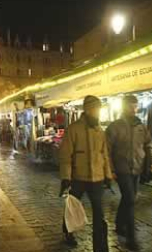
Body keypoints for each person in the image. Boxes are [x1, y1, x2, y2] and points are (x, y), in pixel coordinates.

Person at [59, 95, 113, 252]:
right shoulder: (73, 129)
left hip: (97, 178)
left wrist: (107, 175)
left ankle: (101, 247)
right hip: (78, 178)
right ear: (88, 109)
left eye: (99, 109)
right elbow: (65, 156)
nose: (97, 112)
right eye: (96, 109)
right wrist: (66, 178)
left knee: (99, 214)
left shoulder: (99, 131)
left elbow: (104, 155)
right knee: (72, 208)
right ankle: (68, 231)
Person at [106, 95, 152, 251]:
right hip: (122, 169)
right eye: (130, 106)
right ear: (124, 106)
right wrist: (111, 169)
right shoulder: (114, 127)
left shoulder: (141, 126)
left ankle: (119, 224)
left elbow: (149, 144)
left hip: (137, 168)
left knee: (130, 199)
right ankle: (131, 238)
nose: (133, 109)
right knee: (130, 198)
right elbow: (107, 151)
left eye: (135, 106)